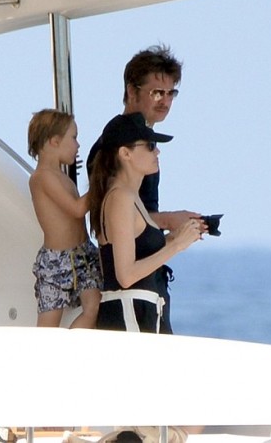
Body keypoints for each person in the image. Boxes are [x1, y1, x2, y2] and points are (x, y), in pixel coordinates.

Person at [86, 44, 206, 333]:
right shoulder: (113, 152)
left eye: (171, 93)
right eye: (156, 92)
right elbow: (116, 227)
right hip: (130, 302)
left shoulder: (137, 160)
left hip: (147, 294)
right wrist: (169, 226)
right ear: (131, 91)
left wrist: (175, 231)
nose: (165, 101)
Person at [28, 109, 102, 328]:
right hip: (56, 261)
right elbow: (77, 209)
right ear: (55, 141)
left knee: (94, 307)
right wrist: (102, 181)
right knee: (48, 327)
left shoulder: (61, 175)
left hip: (82, 254)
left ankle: (71, 347)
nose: (78, 145)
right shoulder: (42, 177)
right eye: (74, 138)